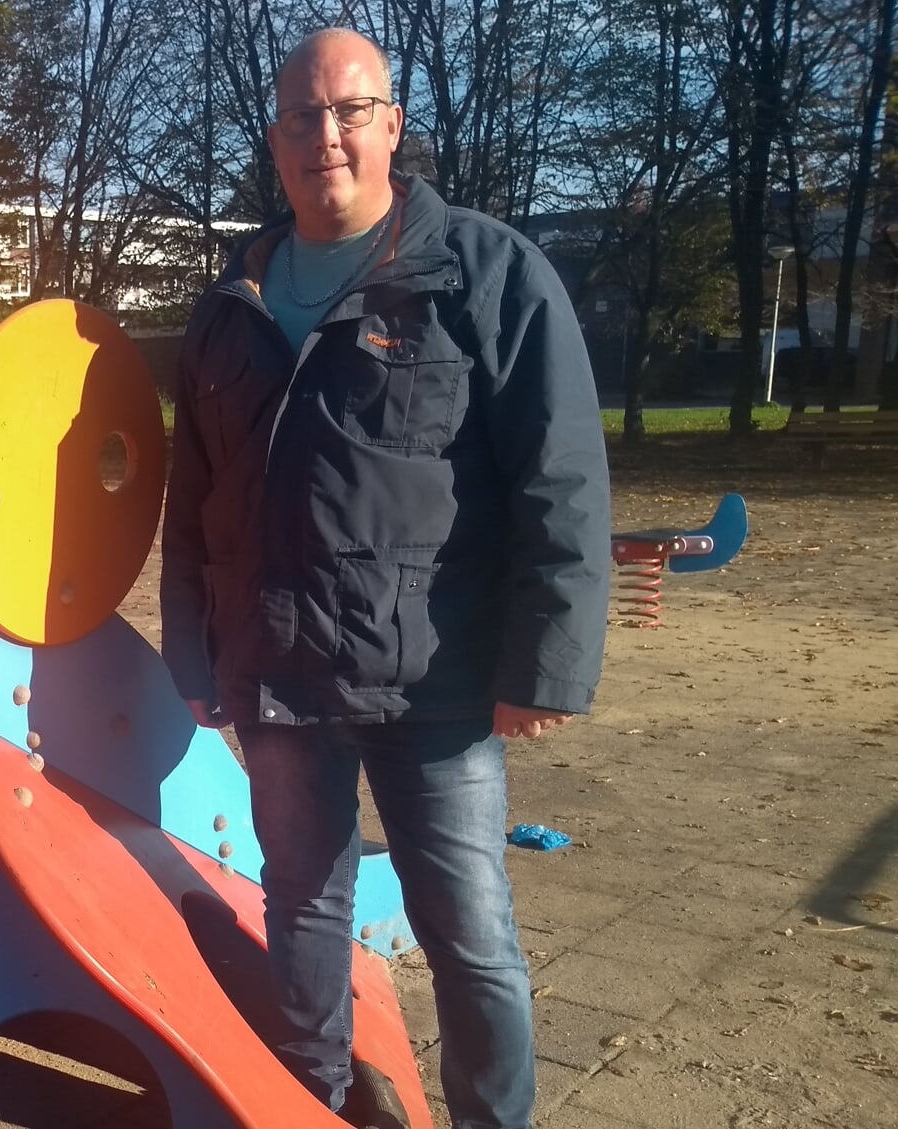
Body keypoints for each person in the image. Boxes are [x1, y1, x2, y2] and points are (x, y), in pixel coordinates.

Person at [159, 28, 611, 1129]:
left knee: (471, 936)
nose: (327, 136)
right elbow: (195, 495)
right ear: (275, 142)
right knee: (301, 920)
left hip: (435, 683)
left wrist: (545, 664)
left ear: (391, 125)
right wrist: (193, 651)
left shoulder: (485, 275)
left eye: (350, 110)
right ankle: (306, 1108)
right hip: (275, 673)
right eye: (303, 118)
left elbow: (560, 476)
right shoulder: (232, 301)